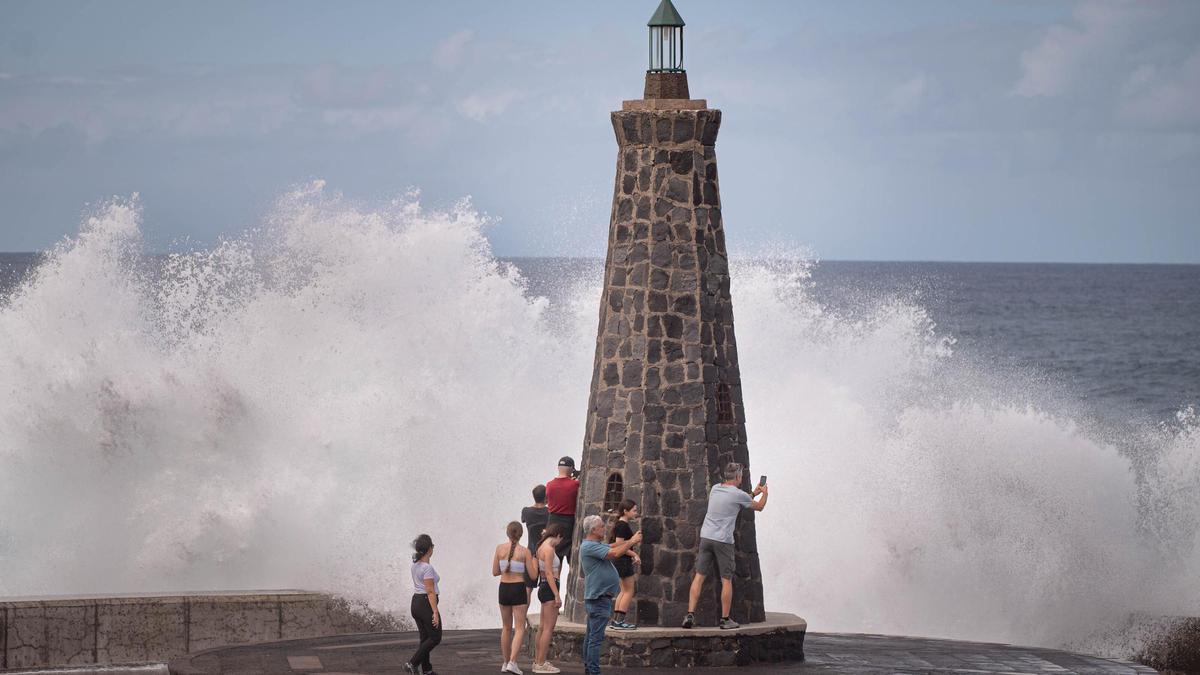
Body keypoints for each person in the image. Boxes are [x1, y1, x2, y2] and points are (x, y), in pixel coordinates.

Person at [682, 462, 768, 630]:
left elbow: (737, 500)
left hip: (706, 537)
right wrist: (764, 493)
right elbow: (759, 507)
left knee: (699, 576)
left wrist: (753, 493)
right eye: (741, 476)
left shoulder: (715, 488)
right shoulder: (739, 494)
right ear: (737, 477)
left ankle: (690, 615)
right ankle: (725, 619)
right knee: (726, 580)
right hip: (723, 541)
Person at [579, 514, 642, 675]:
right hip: (599, 598)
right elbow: (614, 553)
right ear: (593, 530)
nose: (604, 528)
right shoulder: (590, 547)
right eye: (601, 526)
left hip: (598, 598)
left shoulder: (593, 545)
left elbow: (613, 547)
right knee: (595, 639)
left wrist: (631, 550)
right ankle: (593, 671)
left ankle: (589, 669)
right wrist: (632, 542)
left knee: (591, 636)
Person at [493, 521, 536, 675]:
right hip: (518, 589)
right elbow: (532, 575)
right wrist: (534, 563)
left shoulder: (499, 549)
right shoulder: (525, 552)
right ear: (520, 534)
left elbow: (495, 572)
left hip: (503, 588)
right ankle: (512, 662)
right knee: (519, 628)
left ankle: (505, 662)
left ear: (508, 533)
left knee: (505, 627)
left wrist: (507, 566)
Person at [532, 522, 566, 674]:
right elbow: (550, 573)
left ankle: (538, 661)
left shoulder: (541, 547)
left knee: (542, 627)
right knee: (548, 628)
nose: (560, 542)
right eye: (560, 539)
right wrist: (557, 595)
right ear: (558, 536)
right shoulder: (549, 549)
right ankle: (540, 663)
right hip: (550, 587)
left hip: (543, 587)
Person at [405, 534, 441, 675]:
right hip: (426, 603)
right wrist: (435, 612)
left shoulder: (416, 565)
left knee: (425, 638)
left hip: (416, 603)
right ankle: (412, 663)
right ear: (429, 549)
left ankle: (427, 670)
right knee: (435, 637)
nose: (433, 548)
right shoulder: (427, 568)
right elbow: (430, 591)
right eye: (432, 546)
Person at [607, 500, 641, 630]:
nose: (636, 512)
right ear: (625, 511)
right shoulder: (622, 525)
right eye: (634, 510)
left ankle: (616, 622)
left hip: (620, 561)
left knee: (623, 591)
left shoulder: (621, 524)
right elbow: (620, 544)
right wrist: (634, 554)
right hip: (622, 561)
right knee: (629, 591)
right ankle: (619, 622)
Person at [545, 457, 580, 563]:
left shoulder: (549, 485)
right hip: (568, 523)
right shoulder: (575, 484)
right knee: (570, 556)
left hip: (553, 521)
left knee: (554, 557)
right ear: (571, 469)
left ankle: (554, 579)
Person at [521, 485, 549, 602]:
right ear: (546, 497)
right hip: (545, 553)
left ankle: (521, 617)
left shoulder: (526, 511)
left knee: (527, 588)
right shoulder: (549, 512)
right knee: (547, 585)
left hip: (531, 552)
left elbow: (523, 520)